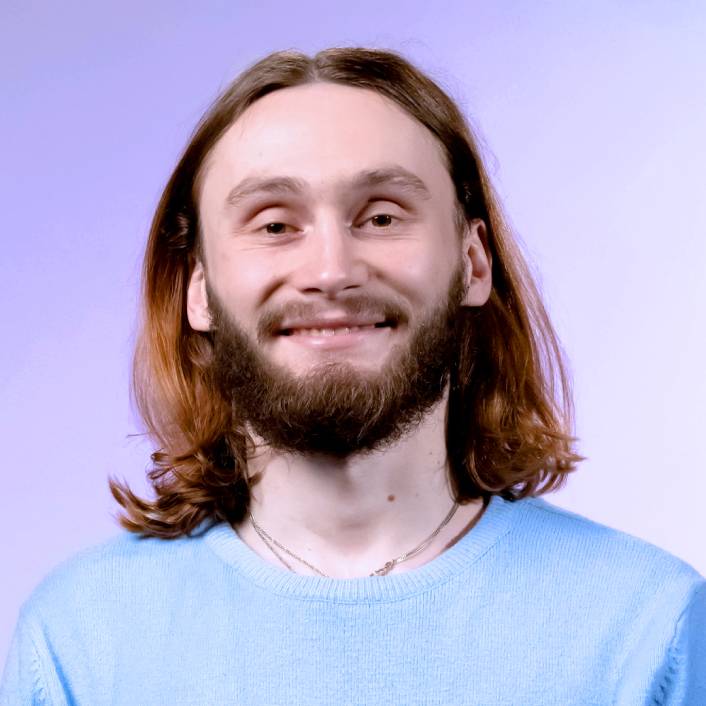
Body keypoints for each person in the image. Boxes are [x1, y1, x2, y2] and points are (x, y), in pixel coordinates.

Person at [1, 47, 704, 705]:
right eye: (275, 225)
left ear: (473, 262)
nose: (331, 271)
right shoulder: (79, 641)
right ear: (199, 289)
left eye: (382, 217)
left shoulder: (648, 629)